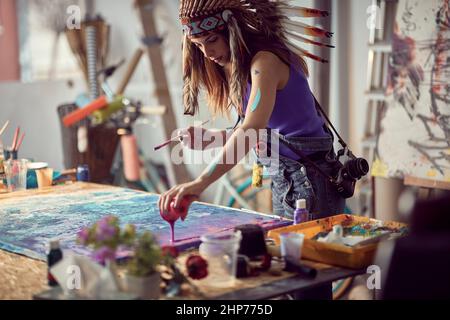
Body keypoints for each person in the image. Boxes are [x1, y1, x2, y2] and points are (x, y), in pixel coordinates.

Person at [158, 0, 345, 221]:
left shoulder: (264, 63)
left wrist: (201, 182)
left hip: (311, 181)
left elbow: (251, 130)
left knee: (310, 253)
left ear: (232, 29)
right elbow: (267, 132)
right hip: (284, 180)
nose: (207, 52)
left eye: (212, 40)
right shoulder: (240, 67)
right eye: (198, 45)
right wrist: (210, 138)